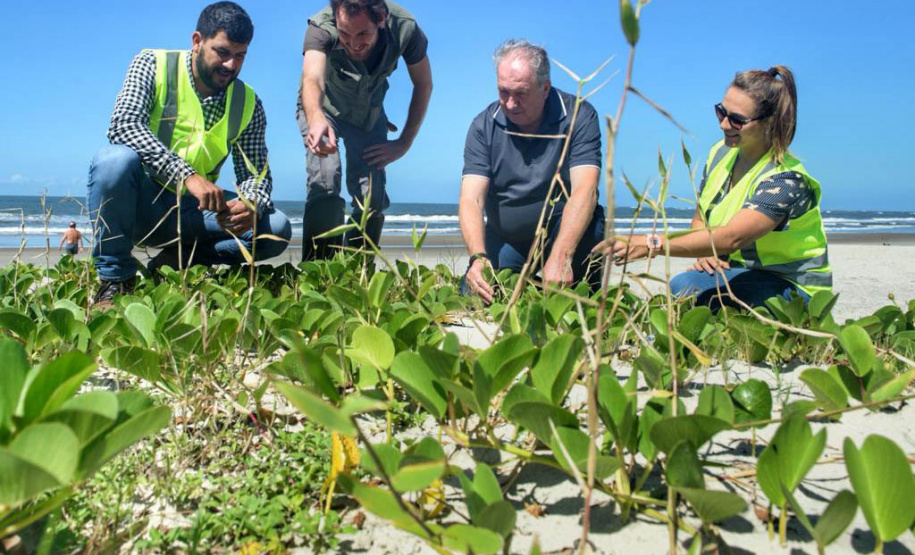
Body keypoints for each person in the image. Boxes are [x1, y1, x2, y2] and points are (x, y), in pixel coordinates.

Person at [87, 1, 291, 307]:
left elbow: (256, 172)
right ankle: (115, 280)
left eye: (240, 56)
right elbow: (123, 125)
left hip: (193, 213)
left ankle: (177, 260)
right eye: (222, 52)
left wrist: (251, 203)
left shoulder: (248, 102)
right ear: (197, 41)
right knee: (113, 161)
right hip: (141, 206)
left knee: (276, 228)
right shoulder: (152, 64)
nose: (231, 65)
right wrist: (187, 176)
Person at [595, 66, 831, 310]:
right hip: (742, 273)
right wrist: (708, 251)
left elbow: (732, 237)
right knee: (686, 287)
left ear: (769, 122)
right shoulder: (721, 153)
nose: (724, 124)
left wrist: (650, 244)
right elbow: (701, 218)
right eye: (721, 112)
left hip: (793, 287)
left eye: (737, 120)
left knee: (693, 291)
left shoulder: (786, 180)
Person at [459, 39, 605, 304]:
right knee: (477, 298)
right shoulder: (482, 126)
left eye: (521, 94)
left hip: (563, 231)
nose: (511, 104)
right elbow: (471, 199)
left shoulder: (579, 115)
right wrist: (477, 257)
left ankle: (572, 287)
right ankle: (531, 287)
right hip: (508, 237)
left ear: (545, 88)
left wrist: (562, 256)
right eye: (503, 92)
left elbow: (586, 189)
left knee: (579, 303)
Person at [297, 0, 433, 259]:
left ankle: (358, 273)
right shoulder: (321, 27)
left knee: (371, 196)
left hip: (368, 114)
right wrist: (315, 119)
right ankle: (319, 274)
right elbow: (312, 78)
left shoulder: (405, 28)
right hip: (323, 109)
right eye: (345, 33)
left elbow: (424, 84)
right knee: (325, 180)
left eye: (363, 34)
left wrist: (404, 142)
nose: (353, 43)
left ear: (381, 19)